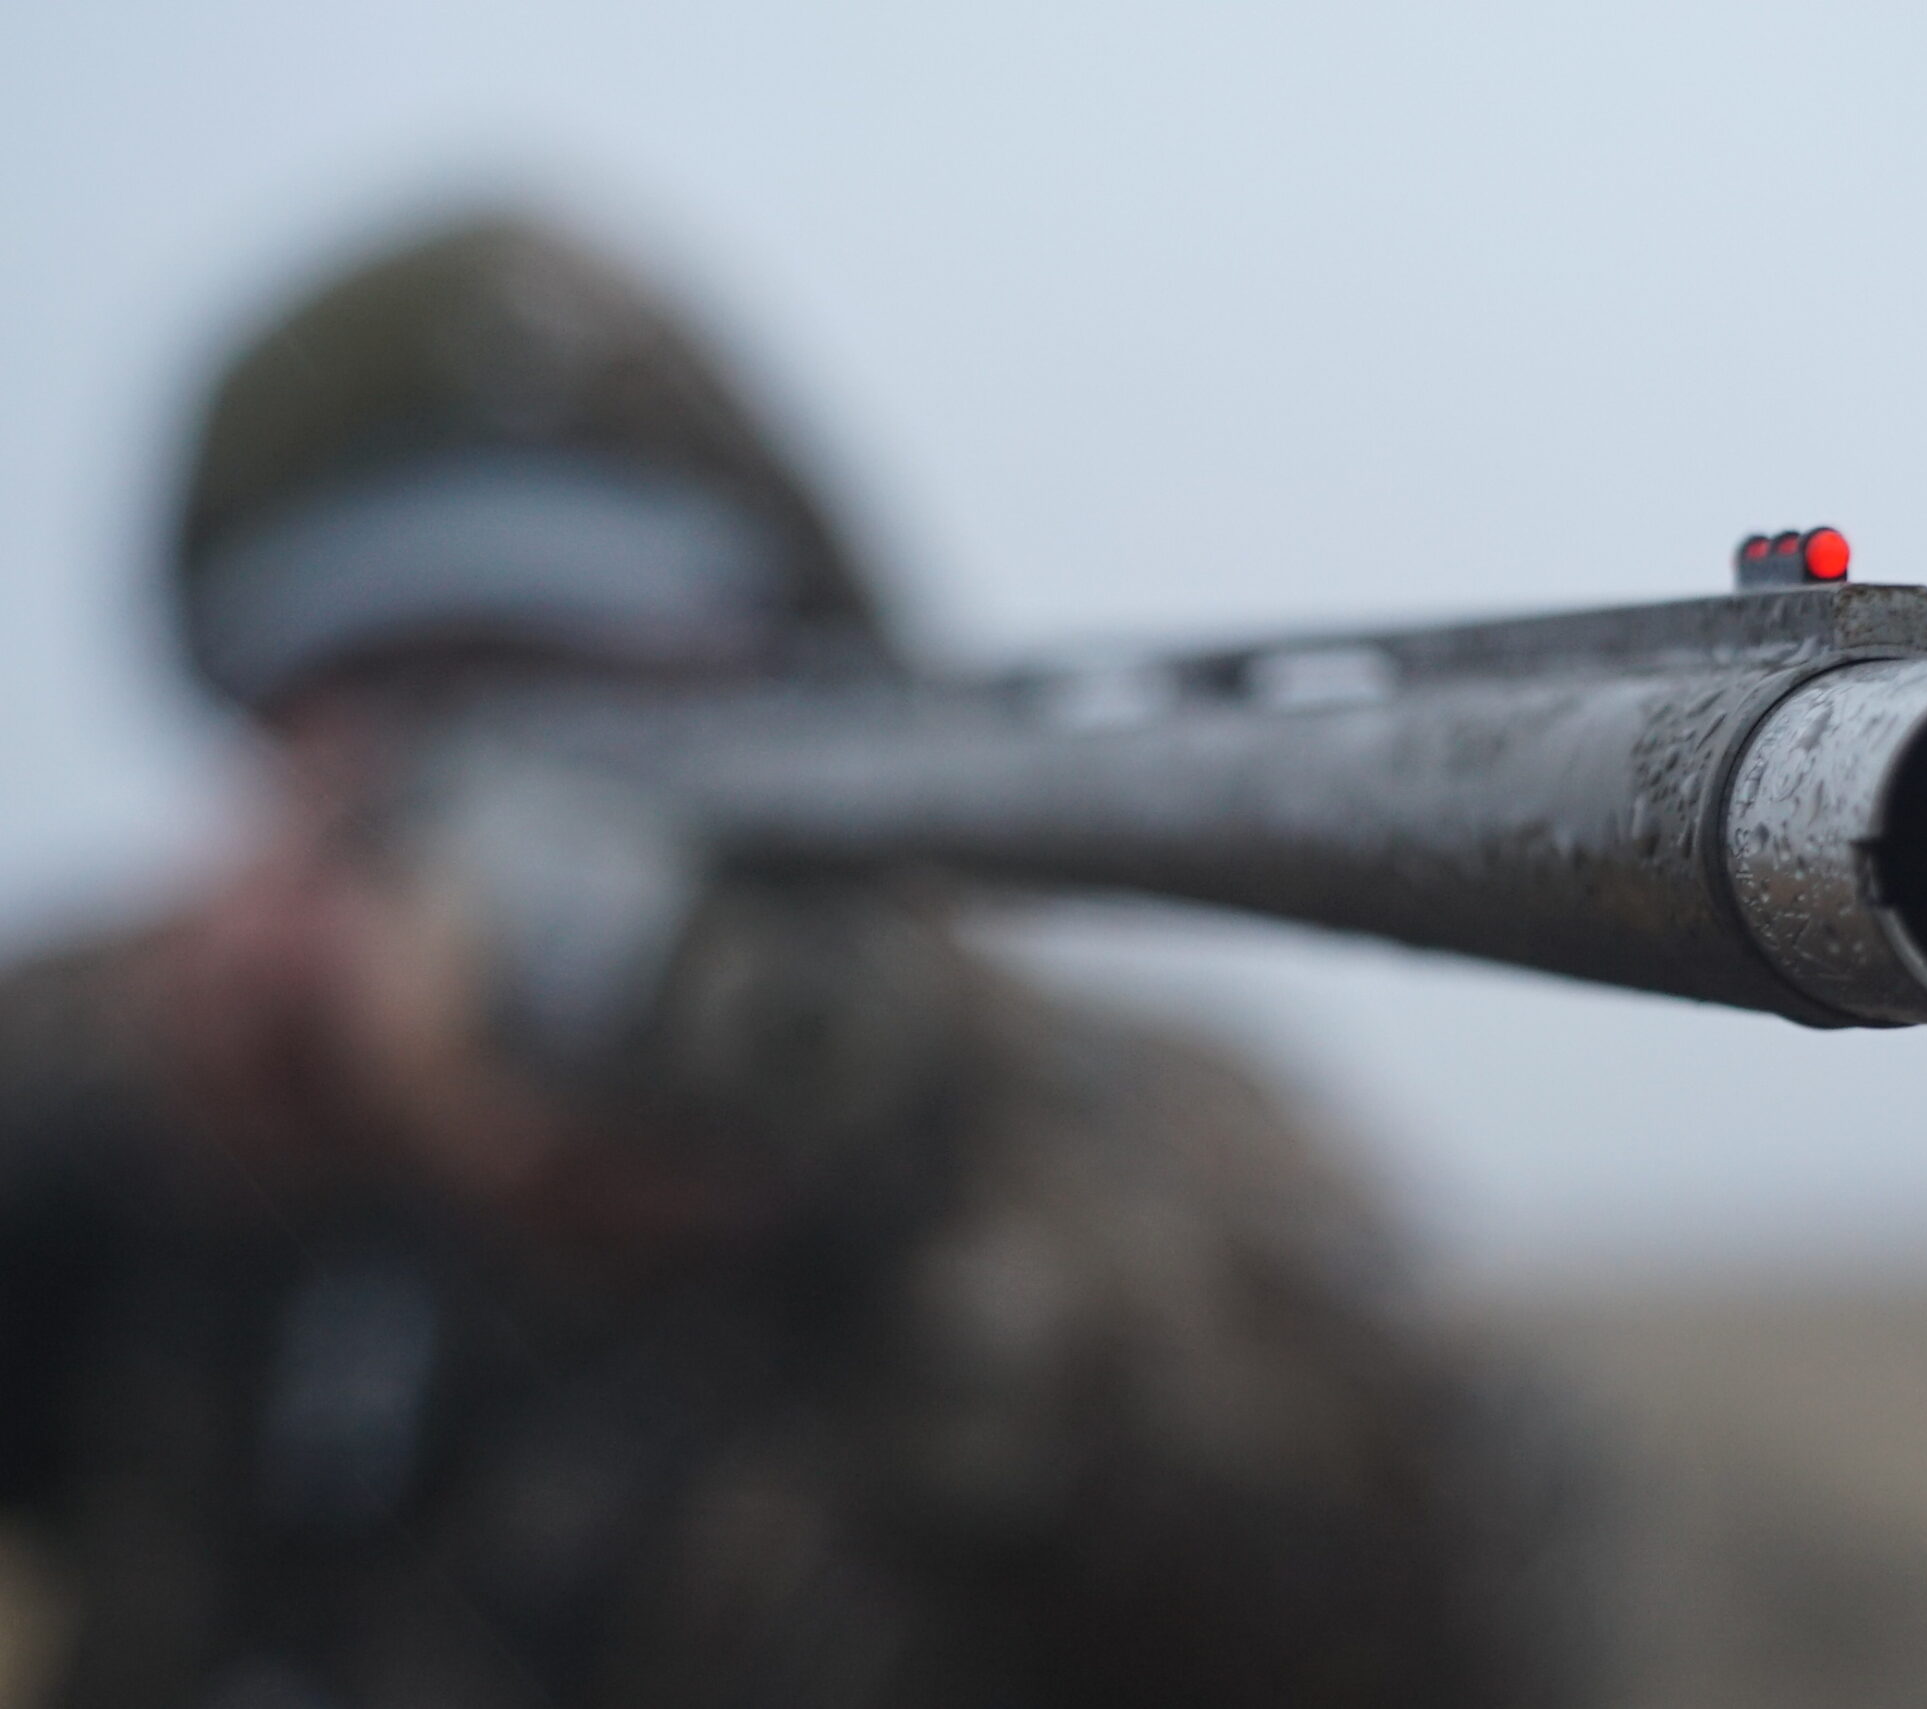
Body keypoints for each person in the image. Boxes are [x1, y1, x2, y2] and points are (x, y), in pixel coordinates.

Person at [0, 216, 1583, 1709]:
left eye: (552, 658)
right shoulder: (167, 1087)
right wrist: (182, 1097)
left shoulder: (1100, 1132)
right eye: (374, 693)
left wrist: (862, 1165)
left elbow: (1457, 1606)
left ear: (772, 650)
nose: (467, 752)